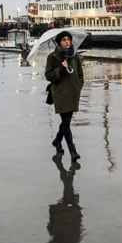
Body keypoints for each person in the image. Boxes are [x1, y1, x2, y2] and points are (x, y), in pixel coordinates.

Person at [45, 31, 84, 162]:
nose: (67, 42)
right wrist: (60, 70)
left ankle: (57, 140)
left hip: (73, 92)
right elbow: (48, 75)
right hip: (60, 93)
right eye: (64, 40)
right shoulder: (53, 57)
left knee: (66, 121)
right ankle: (72, 150)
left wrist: (78, 86)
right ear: (59, 43)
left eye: (68, 39)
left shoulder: (75, 56)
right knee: (66, 123)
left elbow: (80, 74)